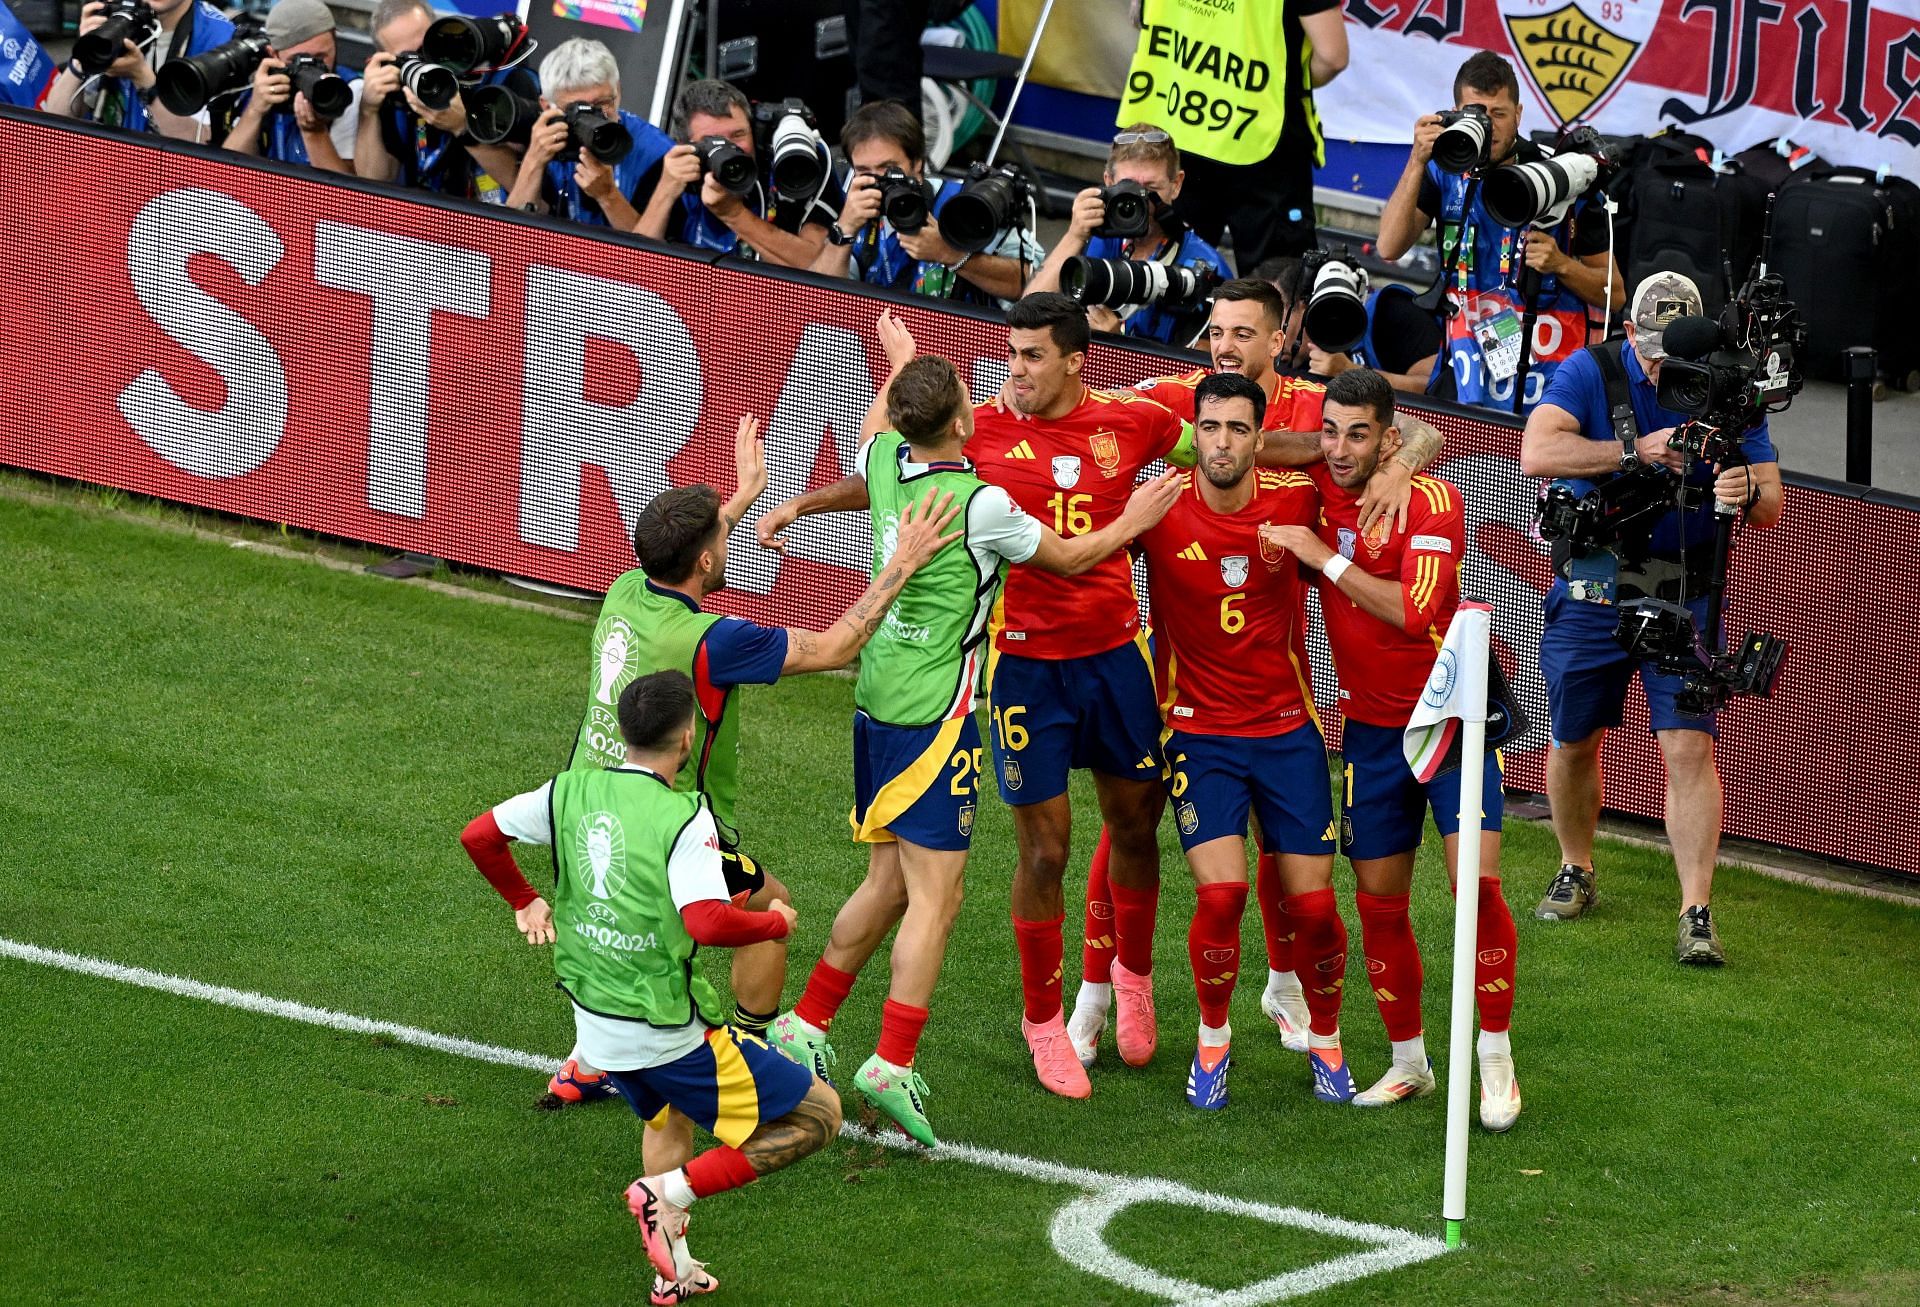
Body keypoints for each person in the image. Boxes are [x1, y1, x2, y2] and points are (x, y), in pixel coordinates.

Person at [767, 334, 1182, 1144]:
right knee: (938, 897)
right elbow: (1070, 557)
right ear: (962, 420)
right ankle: (891, 1061)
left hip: (879, 694)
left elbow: (871, 435)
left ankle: (805, 1025)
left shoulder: (888, 459)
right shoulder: (982, 503)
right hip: (935, 714)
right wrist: (1132, 520)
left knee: (887, 881)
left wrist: (891, 370)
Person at [1066, 276, 1444, 1065]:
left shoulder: (1316, 405)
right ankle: (1103, 989)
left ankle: (1281, 981)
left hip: (1279, 673)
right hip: (1185, 674)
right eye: (1214, 332)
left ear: (1282, 340)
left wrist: (1404, 463)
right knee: (1128, 822)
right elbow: (1094, 425)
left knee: (1286, 843)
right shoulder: (1179, 395)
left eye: (1241, 333)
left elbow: (1413, 435)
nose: (1223, 347)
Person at [543, 415, 963, 1109]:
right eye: (719, 534)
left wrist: (740, 497)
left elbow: (688, 552)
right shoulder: (715, 640)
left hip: (586, 815)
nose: (725, 536)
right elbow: (832, 648)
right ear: (706, 560)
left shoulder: (625, 588)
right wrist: (902, 564)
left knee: (635, 941)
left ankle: (590, 1058)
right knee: (772, 912)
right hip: (663, 830)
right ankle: (748, 1055)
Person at [458, 670, 842, 1301]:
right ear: (686, 737)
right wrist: (775, 922)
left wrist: (524, 900)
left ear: (623, 733)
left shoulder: (568, 791)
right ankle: (661, 1194)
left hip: (595, 1026)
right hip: (665, 1030)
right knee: (817, 1117)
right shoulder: (685, 819)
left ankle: (675, 1274)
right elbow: (706, 921)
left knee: (670, 1116)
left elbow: (480, 835)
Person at [1260, 367, 1522, 1130]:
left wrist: (1322, 556)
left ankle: (1496, 1057)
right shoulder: (1315, 478)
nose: (1340, 449)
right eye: (1331, 432)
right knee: (1378, 903)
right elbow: (1238, 448)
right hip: (1369, 733)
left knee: (1476, 887)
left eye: (1359, 434)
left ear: (1390, 437)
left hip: (1446, 722)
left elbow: (1414, 613)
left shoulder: (1434, 498)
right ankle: (1410, 1061)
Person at [1519, 272, 1783, 964]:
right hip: (1594, 583)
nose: (1666, 366)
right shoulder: (1592, 369)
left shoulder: (1726, 384)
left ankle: (1697, 909)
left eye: (1678, 353)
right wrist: (1631, 450)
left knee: (1690, 747)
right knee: (1574, 739)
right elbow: (1536, 452)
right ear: (1629, 333)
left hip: (1687, 586)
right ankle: (1577, 865)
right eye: (1654, 351)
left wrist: (1744, 485)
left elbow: (1772, 503)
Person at [1128, 371, 1353, 1109]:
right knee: (1221, 895)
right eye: (1211, 428)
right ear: (1196, 433)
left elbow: (1407, 440)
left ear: (1261, 437)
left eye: (1238, 429)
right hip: (1198, 734)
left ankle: (1326, 1038)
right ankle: (1213, 1038)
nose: (1222, 443)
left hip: (1289, 732)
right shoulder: (1158, 506)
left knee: (1314, 909)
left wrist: (1408, 460)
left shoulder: (1297, 499)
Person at [1359, 51, 1624, 415]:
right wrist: (1417, 160)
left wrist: (1561, 264)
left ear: (1518, 114)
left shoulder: (1564, 176)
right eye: (1476, 114)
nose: (1489, 126)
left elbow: (1616, 294)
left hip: (1547, 377)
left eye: (1499, 114)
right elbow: (1389, 247)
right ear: (1454, 112)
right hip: (1466, 368)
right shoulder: (1442, 170)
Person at [1119, 0, 1348, 270]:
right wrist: (1280, 80)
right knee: (1275, 292)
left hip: (1175, 133)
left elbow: (1139, 16)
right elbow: (1332, 56)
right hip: (1261, 142)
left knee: (1159, 281)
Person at [809, 98, 1036, 305]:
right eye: (864, 170)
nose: (879, 180)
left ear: (917, 163)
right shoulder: (855, 210)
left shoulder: (964, 201)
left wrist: (949, 253)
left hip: (962, 339)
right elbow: (818, 303)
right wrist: (844, 229)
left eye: (888, 168)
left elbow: (1031, 283)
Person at [1026, 125, 1232, 344]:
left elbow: (1209, 372)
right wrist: (1074, 235)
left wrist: (1119, 346)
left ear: (1176, 184)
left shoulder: (1207, 266)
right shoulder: (1099, 237)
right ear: (1109, 182)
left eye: (1152, 189)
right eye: (1129, 186)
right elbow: (1028, 315)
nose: (1142, 200)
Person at [636, 79, 837, 269]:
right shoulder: (673, 169)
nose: (730, 149)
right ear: (685, 146)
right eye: (713, 141)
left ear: (755, 131)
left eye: (738, 135)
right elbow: (636, 270)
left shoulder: (795, 162)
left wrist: (733, 214)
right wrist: (666, 190)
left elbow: (818, 267)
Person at [354, 0, 528, 202]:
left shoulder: (497, 80)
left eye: (426, 47)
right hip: (425, 221)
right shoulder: (396, 92)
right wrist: (368, 110)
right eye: (409, 57)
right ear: (388, 60)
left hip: (491, 225)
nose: (423, 62)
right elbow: (374, 180)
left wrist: (464, 127)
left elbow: (526, 191)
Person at [505, 38, 673, 229]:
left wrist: (608, 196)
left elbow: (652, 254)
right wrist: (533, 161)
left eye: (601, 104)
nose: (593, 119)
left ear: (617, 91)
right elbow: (511, 236)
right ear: (546, 106)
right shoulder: (544, 139)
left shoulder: (657, 154)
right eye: (577, 109)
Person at [43, 0, 234, 141]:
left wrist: (142, 78)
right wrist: (85, 53)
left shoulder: (220, 38)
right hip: (110, 165)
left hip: (175, 184)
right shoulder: (117, 15)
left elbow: (201, 142)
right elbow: (56, 119)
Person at [220, 0, 360, 173]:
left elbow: (346, 194)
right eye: (297, 61)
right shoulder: (263, 83)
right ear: (273, 54)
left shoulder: (348, 91)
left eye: (321, 57)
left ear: (335, 43)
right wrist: (255, 111)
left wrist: (314, 132)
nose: (312, 68)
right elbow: (226, 174)